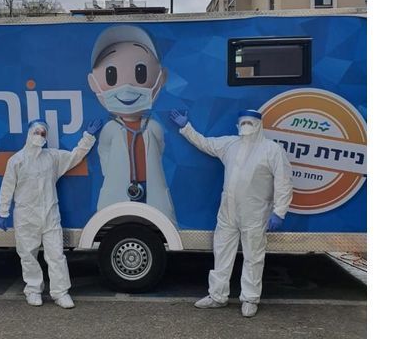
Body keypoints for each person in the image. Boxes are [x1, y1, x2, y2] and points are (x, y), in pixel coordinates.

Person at [169, 109, 293, 317]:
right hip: (228, 211)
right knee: (222, 252)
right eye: (243, 122)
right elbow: (205, 143)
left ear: (259, 125)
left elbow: (284, 181)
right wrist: (186, 127)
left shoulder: (272, 150)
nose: (246, 126)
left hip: (255, 214)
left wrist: (279, 211)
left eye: (250, 122)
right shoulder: (230, 145)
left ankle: (250, 299)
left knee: (253, 256)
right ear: (237, 125)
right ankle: (217, 296)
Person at [0, 118, 102, 309]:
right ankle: (33, 290)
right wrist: (3, 210)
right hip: (26, 216)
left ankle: (60, 292)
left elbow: (75, 156)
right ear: (29, 133)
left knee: (56, 255)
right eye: (36, 132)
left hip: (49, 215)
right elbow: (7, 186)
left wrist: (88, 137)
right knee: (28, 255)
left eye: (43, 133)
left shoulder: (52, 157)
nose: (39, 136)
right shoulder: (17, 160)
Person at [87, 25, 176, 224]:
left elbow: (159, 149)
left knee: (157, 221)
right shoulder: (110, 129)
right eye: (111, 75)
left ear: (161, 78)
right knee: (117, 222)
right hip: (118, 190)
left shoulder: (153, 127)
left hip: (151, 188)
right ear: (93, 82)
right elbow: (104, 155)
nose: (127, 87)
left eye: (140, 73)